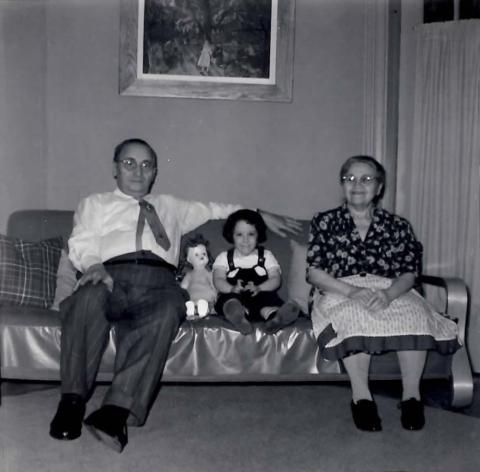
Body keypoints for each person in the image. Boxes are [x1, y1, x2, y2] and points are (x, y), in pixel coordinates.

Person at [49, 138, 301, 452]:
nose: (138, 171)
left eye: (146, 165)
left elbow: (218, 209)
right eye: (129, 163)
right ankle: (72, 402)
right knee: (85, 299)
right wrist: (93, 265)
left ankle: (115, 411)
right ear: (115, 169)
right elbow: (82, 239)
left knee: (169, 308)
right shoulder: (95, 203)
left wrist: (260, 214)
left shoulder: (172, 206)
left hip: (160, 282)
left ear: (154, 172)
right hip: (110, 274)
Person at [306, 155, 460, 432]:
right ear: (342, 185)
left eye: (366, 179)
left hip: (390, 287)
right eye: (349, 178)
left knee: (414, 313)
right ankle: (361, 398)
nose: (357, 185)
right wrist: (352, 291)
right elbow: (315, 274)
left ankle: (411, 396)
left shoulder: (399, 226)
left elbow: (409, 274)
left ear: (379, 187)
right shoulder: (325, 221)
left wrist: (388, 295)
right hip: (340, 287)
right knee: (353, 314)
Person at [213, 209, 300, 335]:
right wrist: (231, 288)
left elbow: (275, 278)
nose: (245, 240)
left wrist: (260, 287)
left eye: (251, 234)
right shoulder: (224, 257)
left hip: (261, 296)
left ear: (258, 235)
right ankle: (238, 316)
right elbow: (218, 279)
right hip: (236, 296)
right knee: (229, 301)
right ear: (231, 235)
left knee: (267, 305)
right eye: (239, 234)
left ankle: (276, 318)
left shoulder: (266, 255)